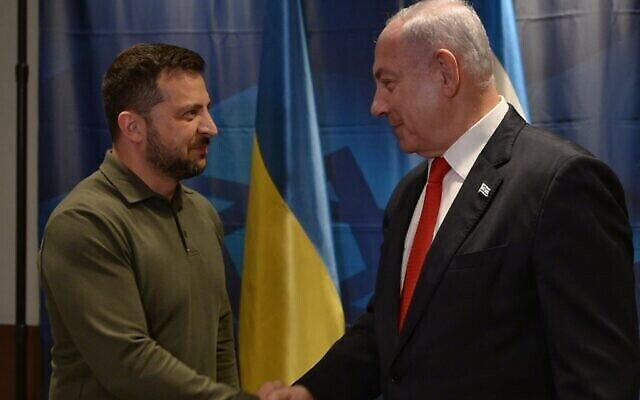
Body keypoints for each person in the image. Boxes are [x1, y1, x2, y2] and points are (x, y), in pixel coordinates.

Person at [264, 1, 640, 399]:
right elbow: (390, 331)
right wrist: (310, 392)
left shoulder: (560, 183)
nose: (377, 105)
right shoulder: (409, 194)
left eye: (388, 83)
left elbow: (598, 380)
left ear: (446, 73)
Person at [39, 43, 259, 399]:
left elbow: (220, 339)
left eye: (207, 108)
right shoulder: (84, 222)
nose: (211, 127)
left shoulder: (202, 213)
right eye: (190, 114)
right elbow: (127, 364)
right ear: (133, 127)